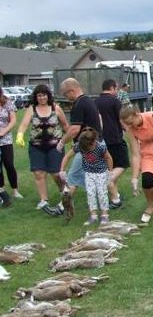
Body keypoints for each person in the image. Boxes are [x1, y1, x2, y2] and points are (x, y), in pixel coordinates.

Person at [15, 85, 69, 215]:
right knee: (39, 173)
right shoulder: (31, 109)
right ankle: (44, 200)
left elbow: (65, 125)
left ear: (48, 96)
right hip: (36, 146)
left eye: (44, 95)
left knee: (56, 173)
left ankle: (64, 191)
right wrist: (20, 135)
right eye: (39, 95)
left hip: (55, 146)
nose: (42, 97)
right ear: (36, 97)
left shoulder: (56, 108)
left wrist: (73, 138)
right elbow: (23, 125)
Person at [58, 78, 103, 215]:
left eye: (66, 94)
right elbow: (99, 120)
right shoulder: (89, 101)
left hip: (86, 146)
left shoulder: (78, 104)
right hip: (95, 142)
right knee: (89, 176)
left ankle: (62, 207)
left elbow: (74, 129)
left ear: (72, 91)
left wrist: (62, 142)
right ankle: (114, 198)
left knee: (73, 176)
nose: (67, 97)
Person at [60, 128, 113, 226]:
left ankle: (105, 215)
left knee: (102, 193)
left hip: (101, 173)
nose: (86, 150)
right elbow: (67, 156)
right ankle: (93, 216)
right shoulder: (79, 146)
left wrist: (110, 172)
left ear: (93, 142)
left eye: (88, 148)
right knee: (90, 193)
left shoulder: (100, 147)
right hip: (88, 173)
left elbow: (108, 157)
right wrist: (62, 170)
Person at [95, 79, 128, 208]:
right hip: (115, 139)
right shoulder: (115, 101)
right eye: (116, 88)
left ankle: (115, 197)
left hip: (101, 140)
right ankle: (106, 182)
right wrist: (129, 131)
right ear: (112, 88)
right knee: (123, 164)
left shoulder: (95, 102)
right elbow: (121, 119)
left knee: (110, 167)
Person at [0, 87, 21, 207]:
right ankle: (2, 192)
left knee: (9, 164)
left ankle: (15, 190)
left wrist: (4, 132)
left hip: (6, 140)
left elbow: (13, 120)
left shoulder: (7, 102)